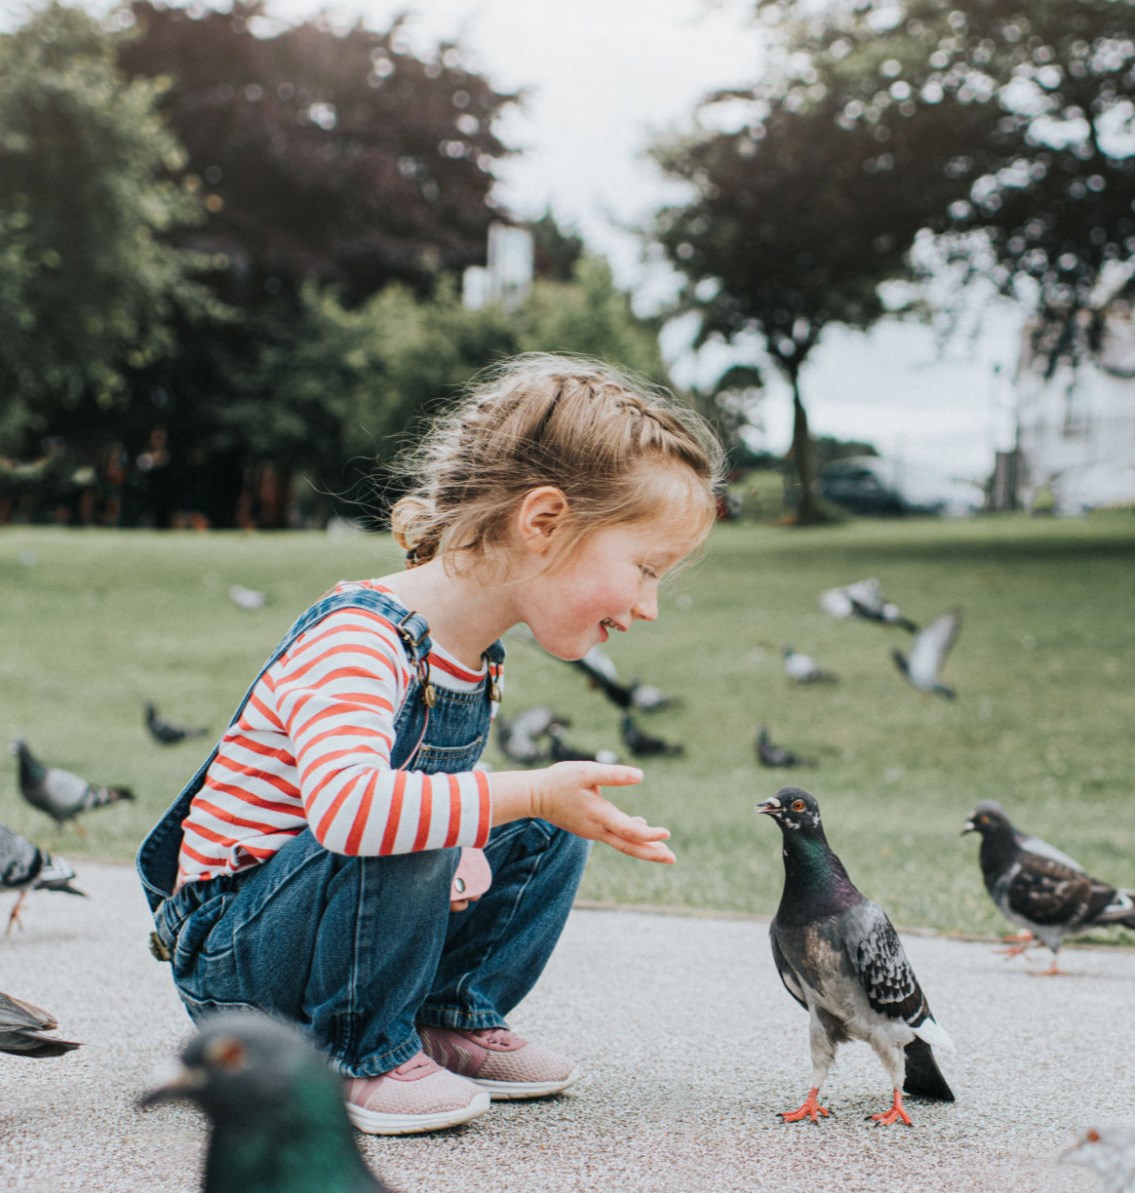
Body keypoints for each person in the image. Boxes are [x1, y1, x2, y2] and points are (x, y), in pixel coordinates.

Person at [136, 355, 725, 1135]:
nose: (649, 606)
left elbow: (430, 786)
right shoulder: (360, 639)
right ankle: (356, 1052)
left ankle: (447, 1016)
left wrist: (496, 824)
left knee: (551, 816)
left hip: (318, 924)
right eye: (645, 569)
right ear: (543, 523)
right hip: (239, 964)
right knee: (441, 807)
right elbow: (351, 813)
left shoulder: (472, 654)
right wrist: (494, 808)